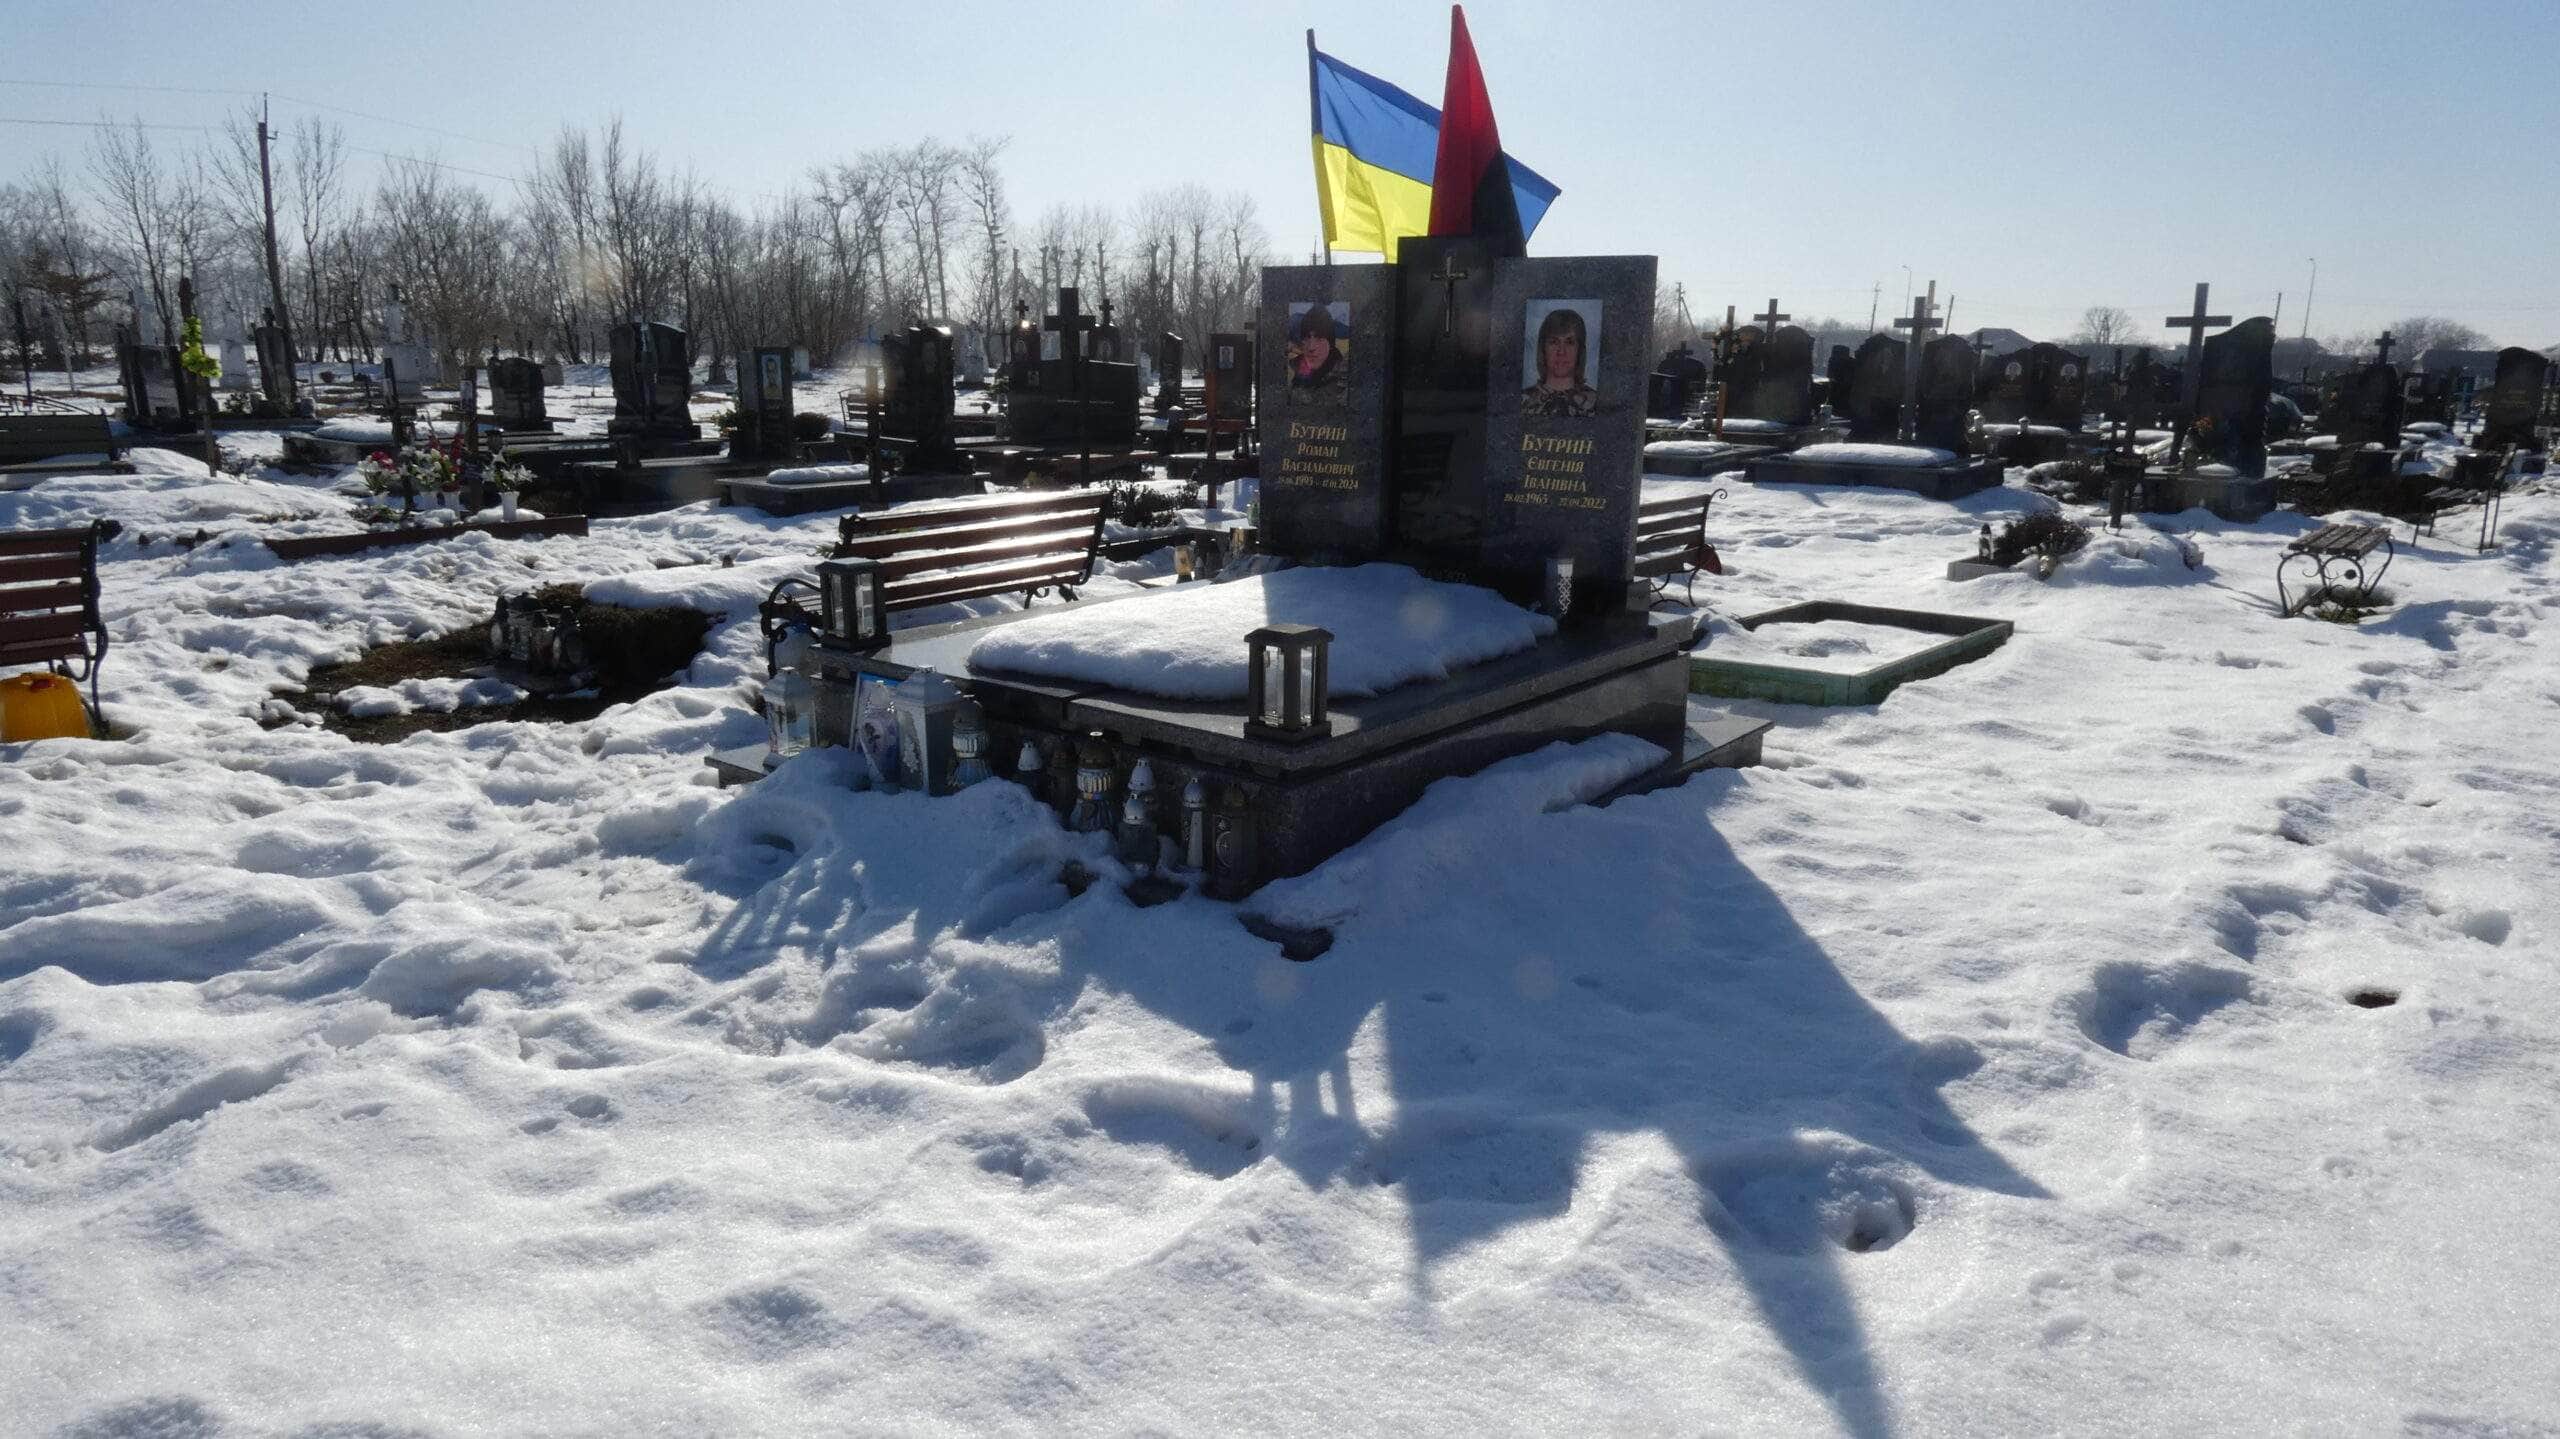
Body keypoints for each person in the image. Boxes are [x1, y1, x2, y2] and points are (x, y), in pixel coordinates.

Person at [1523, 307, 1599, 417]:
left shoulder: (1596, 402)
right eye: (1554, 342)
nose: (1561, 352)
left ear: (1580, 351)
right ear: (1543, 349)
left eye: (1569, 342)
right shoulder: (1522, 400)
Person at [1289, 305, 1348, 394]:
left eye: (1319, 338)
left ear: (1330, 344)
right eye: (1307, 337)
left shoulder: (1342, 378)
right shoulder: (1298, 375)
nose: (1311, 347)